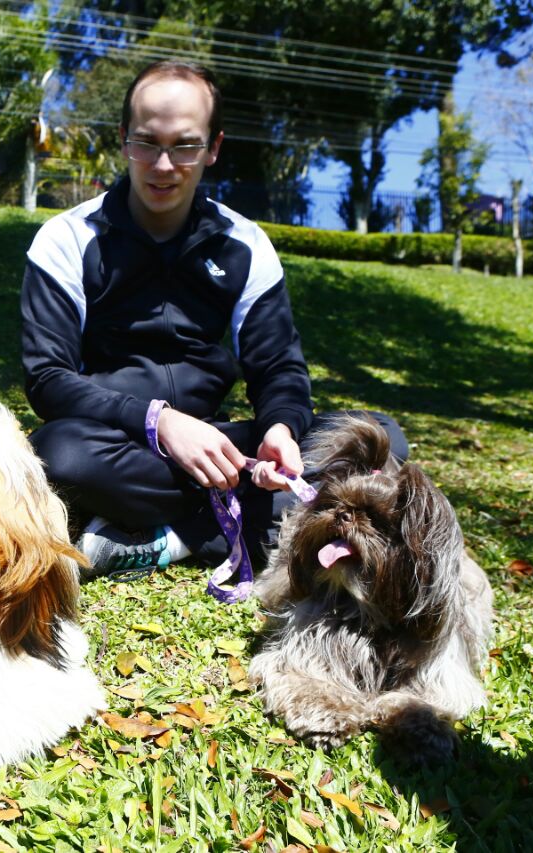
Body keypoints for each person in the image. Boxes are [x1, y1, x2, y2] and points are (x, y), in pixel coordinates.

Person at [21, 60, 407, 581]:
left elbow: (278, 368)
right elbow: (48, 380)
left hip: (224, 449)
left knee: (379, 439)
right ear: (123, 140)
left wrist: (280, 430)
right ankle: (245, 529)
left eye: (184, 146)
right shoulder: (67, 239)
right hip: (116, 439)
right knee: (56, 453)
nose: (162, 164)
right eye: (146, 142)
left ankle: (173, 537)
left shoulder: (244, 243)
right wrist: (160, 423)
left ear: (213, 148)